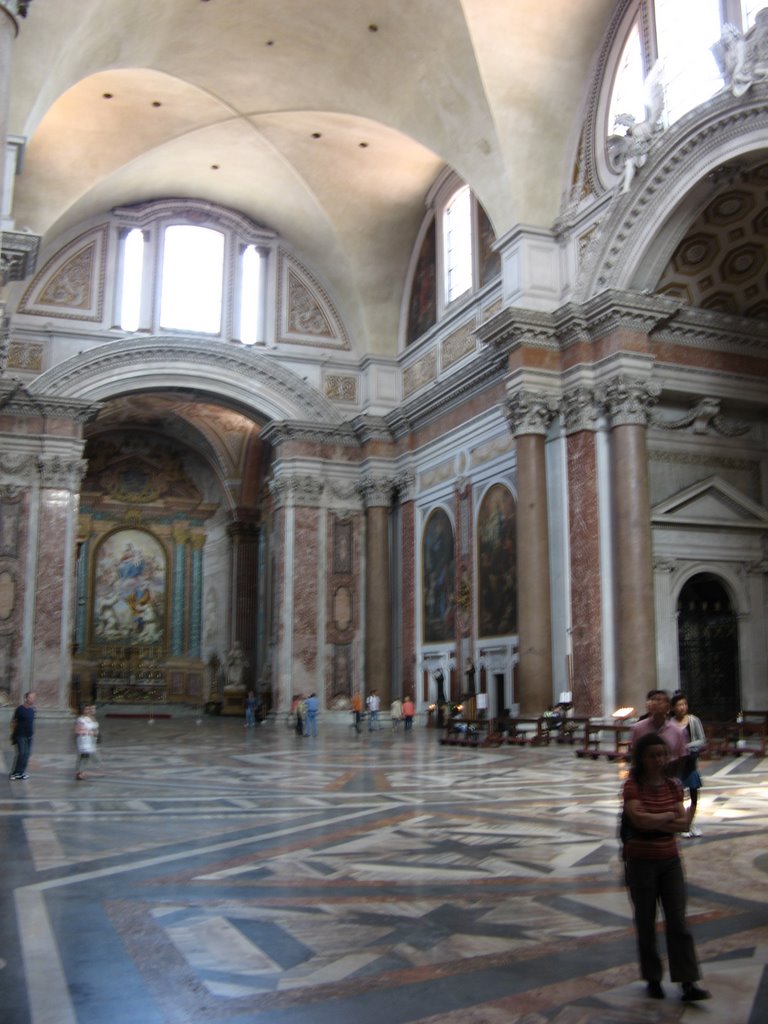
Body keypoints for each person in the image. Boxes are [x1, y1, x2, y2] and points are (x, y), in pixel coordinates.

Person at [622, 732, 711, 1002]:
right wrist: (667, 817)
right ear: (642, 759)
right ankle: (652, 978)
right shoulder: (632, 785)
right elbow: (639, 821)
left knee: (678, 921)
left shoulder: (673, 785)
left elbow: (683, 824)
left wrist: (655, 819)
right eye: (653, 756)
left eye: (662, 755)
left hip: (670, 859)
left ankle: (687, 980)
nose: (659, 760)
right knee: (646, 920)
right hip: (641, 861)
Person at [669, 692, 706, 837]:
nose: (682, 707)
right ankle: (682, 824)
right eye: (679, 705)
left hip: (690, 763)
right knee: (678, 797)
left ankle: (690, 823)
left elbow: (701, 739)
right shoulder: (670, 724)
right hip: (677, 765)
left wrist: (687, 746)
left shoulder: (693, 720)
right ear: (673, 707)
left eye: (684, 704)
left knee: (694, 795)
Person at [630, 690, 687, 776]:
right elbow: (634, 753)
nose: (657, 703)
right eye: (654, 700)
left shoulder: (677, 730)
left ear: (668, 707)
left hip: (668, 774)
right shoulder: (638, 728)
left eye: (661, 700)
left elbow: (682, 756)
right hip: (644, 775)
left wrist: (674, 776)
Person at [10, 691, 36, 780]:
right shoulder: (20, 709)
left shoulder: (32, 710)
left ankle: (21, 772)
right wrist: (14, 733)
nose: (33, 699)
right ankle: (14, 773)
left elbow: (31, 723)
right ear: (26, 698)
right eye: (31, 697)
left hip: (29, 736)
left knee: (27, 754)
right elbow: (13, 722)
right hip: (20, 735)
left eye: (34, 698)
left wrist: (32, 734)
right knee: (21, 753)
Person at [75, 704, 99, 780]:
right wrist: (89, 732)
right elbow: (78, 731)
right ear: (83, 710)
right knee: (84, 756)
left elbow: (93, 727)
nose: (88, 711)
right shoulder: (80, 719)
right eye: (86, 709)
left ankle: (81, 771)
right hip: (83, 740)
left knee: (86, 756)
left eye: (89, 709)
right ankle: (79, 773)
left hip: (89, 740)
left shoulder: (89, 718)